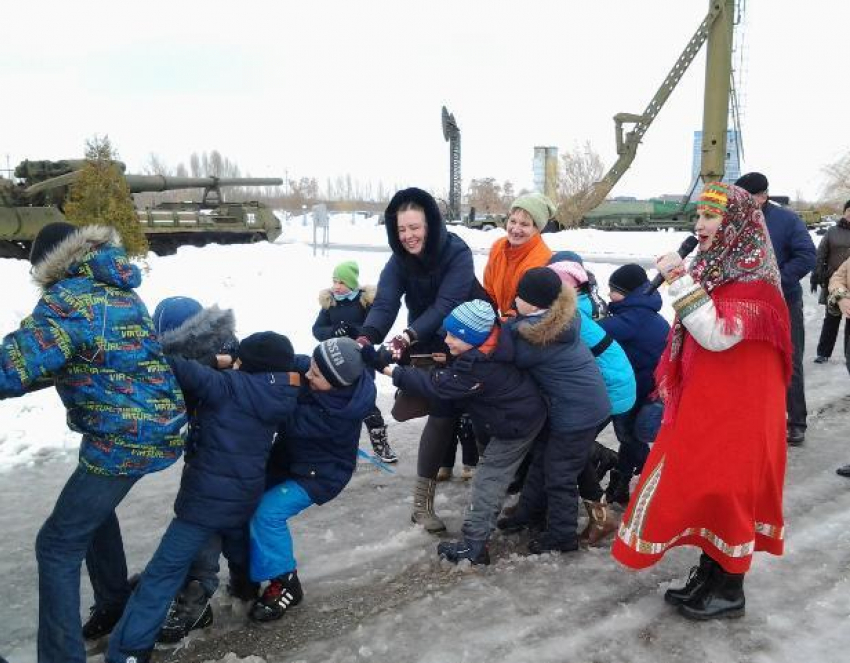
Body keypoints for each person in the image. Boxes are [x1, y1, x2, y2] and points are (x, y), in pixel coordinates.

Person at [0, 222, 187, 663]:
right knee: (93, 516)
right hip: (152, 426)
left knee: (57, 543)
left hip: (124, 438)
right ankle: (113, 603)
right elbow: (95, 354)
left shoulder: (67, 301)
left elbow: (11, 367)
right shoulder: (115, 288)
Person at [612, 182, 792, 621]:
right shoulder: (721, 268)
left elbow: (714, 335)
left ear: (736, 226)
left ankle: (730, 588)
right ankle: (710, 574)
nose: (700, 225)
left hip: (739, 413)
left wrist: (678, 278)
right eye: (700, 216)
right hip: (712, 402)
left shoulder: (756, 284)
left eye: (711, 217)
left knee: (727, 489)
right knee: (709, 487)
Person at [106, 332, 301, 663]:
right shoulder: (282, 391)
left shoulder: (226, 386)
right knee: (237, 545)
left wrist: (212, 362)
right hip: (244, 495)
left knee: (163, 572)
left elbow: (174, 365)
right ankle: (243, 588)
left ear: (246, 365)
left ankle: (128, 652)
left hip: (205, 502)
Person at [375, 300, 548, 565]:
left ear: (474, 338)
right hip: (516, 414)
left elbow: (435, 385)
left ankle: (474, 545)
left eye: (455, 336)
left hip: (515, 425)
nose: (447, 340)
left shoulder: (479, 367)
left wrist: (389, 370)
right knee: (497, 473)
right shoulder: (493, 342)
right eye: (447, 332)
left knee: (487, 480)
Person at [356, 187, 488, 532]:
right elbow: (385, 303)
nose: (408, 236)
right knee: (442, 412)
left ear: (430, 224)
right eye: (401, 230)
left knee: (484, 413)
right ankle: (421, 504)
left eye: (414, 227)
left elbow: (446, 305)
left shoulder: (457, 252)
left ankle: (492, 492)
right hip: (427, 336)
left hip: (469, 336)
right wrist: (367, 336)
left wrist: (406, 337)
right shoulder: (399, 260)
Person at [249, 338, 376, 621]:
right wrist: (252, 355)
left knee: (266, 512)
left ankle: (285, 582)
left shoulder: (337, 415)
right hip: (291, 460)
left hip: (321, 476)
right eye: (313, 367)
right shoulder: (324, 372)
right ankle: (248, 570)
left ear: (337, 384)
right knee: (244, 498)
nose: (308, 375)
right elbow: (292, 361)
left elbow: (285, 417)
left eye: (316, 375)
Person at [148, 296, 245, 643]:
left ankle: (201, 590)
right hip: (213, 453)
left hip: (232, 458)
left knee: (212, 516)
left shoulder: (224, 364)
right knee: (218, 518)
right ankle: (232, 582)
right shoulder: (214, 353)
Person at [496, 268, 610, 554]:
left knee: (559, 475)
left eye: (519, 296)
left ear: (534, 304)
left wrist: (496, 330)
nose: (514, 300)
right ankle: (528, 513)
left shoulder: (539, 337)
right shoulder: (556, 320)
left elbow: (511, 353)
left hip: (576, 415)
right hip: (575, 407)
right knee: (541, 460)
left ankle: (561, 535)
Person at [547, 256, 636, 543]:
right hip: (610, 384)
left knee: (571, 448)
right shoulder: (577, 309)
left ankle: (601, 518)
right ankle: (600, 507)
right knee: (573, 447)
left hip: (609, 388)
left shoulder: (570, 317)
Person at [735, 172, 815, 445]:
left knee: (789, 358)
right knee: (750, 359)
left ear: (763, 196)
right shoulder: (736, 219)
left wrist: (776, 280)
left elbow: (807, 256)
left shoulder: (787, 220)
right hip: (746, 301)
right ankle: (755, 416)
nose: (742, 203)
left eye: (748, 198)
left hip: (784, 301)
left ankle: (796, 421)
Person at [599, 264, 670, 505]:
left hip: (638, 388)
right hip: (646, 384)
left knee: (629, 436)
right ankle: (621, 485)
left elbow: (596, 331)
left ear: (627, 293)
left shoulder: (632, 318)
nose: (610, 295)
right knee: (631, 438)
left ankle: (656, 475)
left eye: (613, 291)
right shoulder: (642, 310)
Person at [312, 260, 397, 463]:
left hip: (361, 360)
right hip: (334, 361)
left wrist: (354, 330)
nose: (336, 286)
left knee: (365, 402)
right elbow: (317, 330)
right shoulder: (330, 303)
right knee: (334, 403)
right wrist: (332, 331)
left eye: (341, 282)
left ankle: (380, 444)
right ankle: (335, 447)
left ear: (351, 283)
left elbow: (374, 329)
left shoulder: (364, 302)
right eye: (334, 281)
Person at [483, 193, 555, 317]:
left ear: (537, 229)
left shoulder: (541, 260)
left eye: (524, 224)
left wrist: (502, 327)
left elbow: (523, 309)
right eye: (513, 221)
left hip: (527, 323)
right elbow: (489, 291)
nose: (515, 229)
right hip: (506, 318)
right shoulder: (498, 247)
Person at [811, 200, 850, 363]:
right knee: (831, 318)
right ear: (844, 212)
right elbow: (821, 253)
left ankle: (848, 353)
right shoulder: (832, 231)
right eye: (849, 210)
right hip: (835, 281)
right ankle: (823, 352)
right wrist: (820, 273)